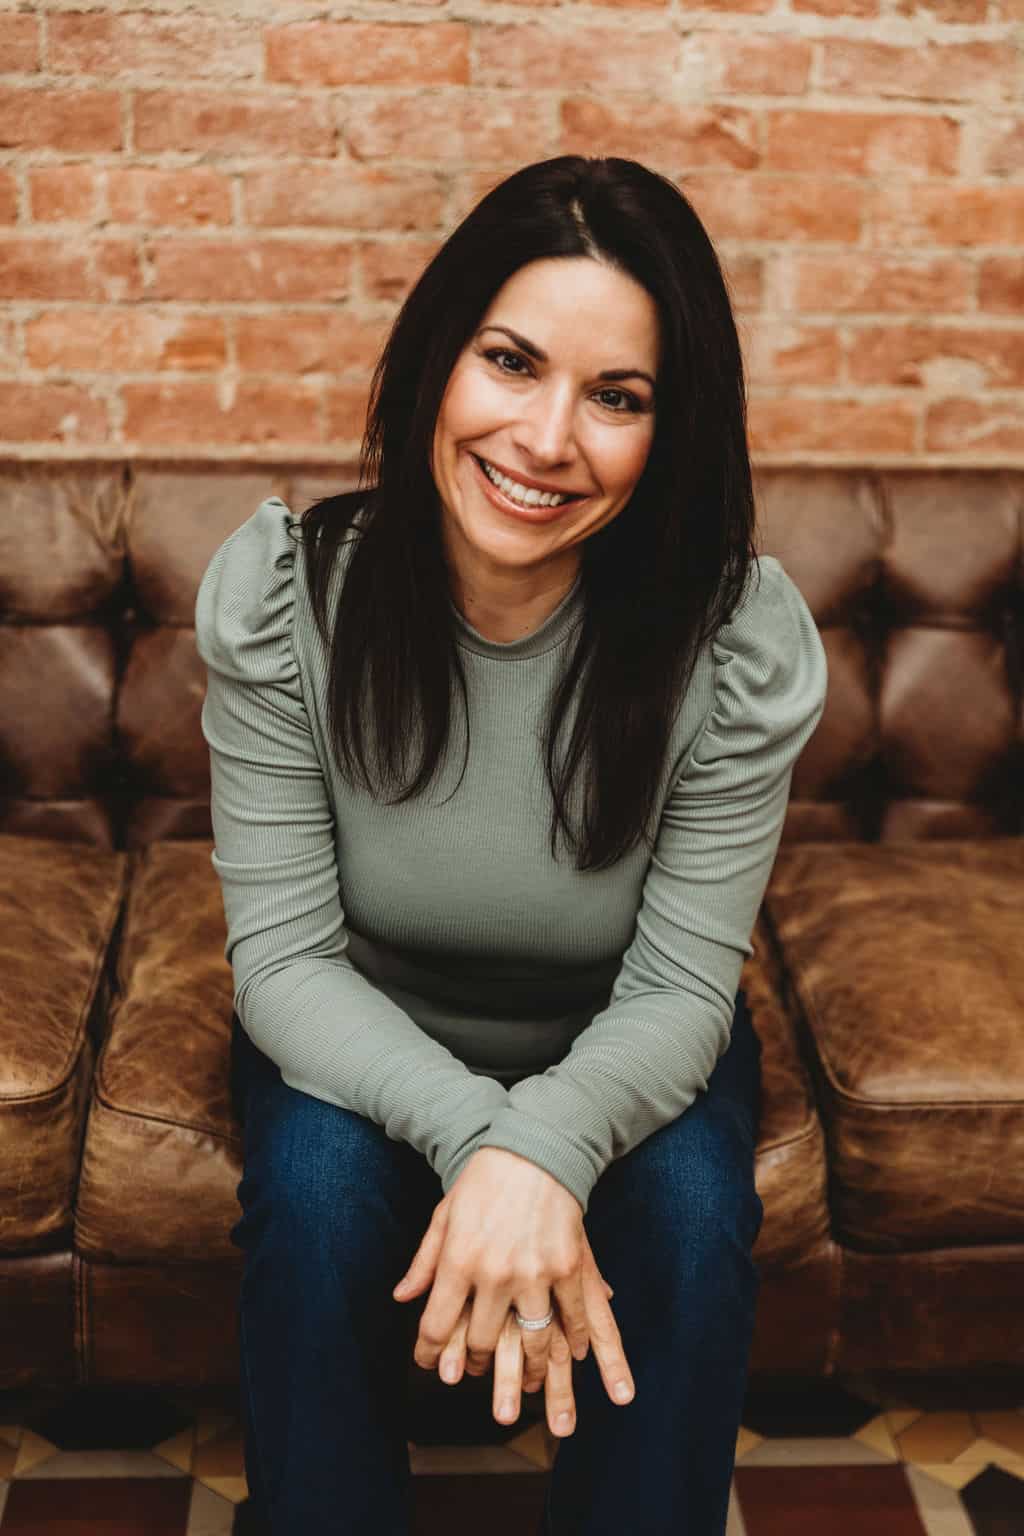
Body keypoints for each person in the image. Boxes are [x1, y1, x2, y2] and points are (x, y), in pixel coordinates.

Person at [196, 154, 828, 1536]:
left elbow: (677, 993)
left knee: (692, 1223)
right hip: (360, 1032)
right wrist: (501, 1146)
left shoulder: (735, 641)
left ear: (671, 431)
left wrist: (550, 1142)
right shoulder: (284, 597)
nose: (546, 438)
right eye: (510, 361)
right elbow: (289, 966)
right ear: (438, 358)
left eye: (618, 398)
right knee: (310, 1202)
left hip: (622, 1035)